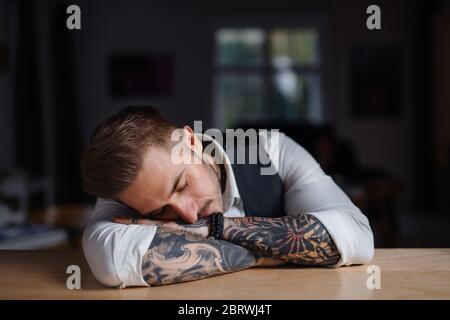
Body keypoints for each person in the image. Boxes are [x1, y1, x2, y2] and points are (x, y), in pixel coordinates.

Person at [80, 106, 374, 288]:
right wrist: (283, 251)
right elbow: (112, 261)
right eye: (159, 213)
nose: (189, 215)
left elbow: (357, 236)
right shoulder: (127, 189)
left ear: (191, 142)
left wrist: (214, 229)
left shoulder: (272, 151)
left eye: (182, 185)